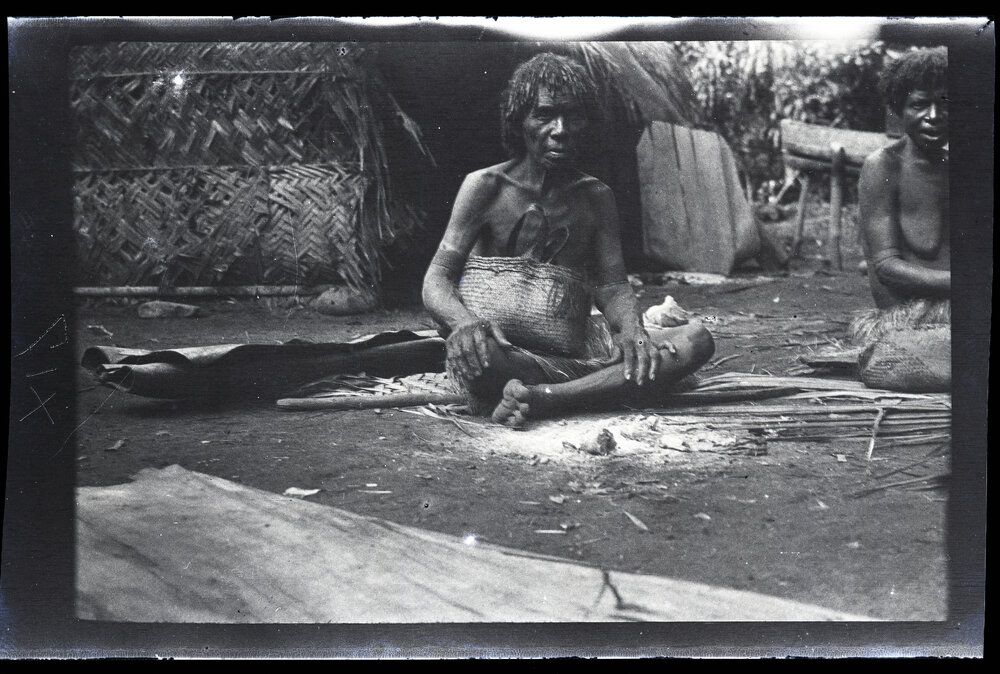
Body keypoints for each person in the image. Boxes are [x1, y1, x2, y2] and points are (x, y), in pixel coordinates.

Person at [421, 53, 714, 427]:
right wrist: (464, 324)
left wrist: (632, 331)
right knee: (485, 360)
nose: (560, 129)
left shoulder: (596, 198)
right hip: (508, 355)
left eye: (573, 116)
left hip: (577, 347)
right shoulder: (485, 187)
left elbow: (611, 286)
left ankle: (548, 398)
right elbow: (437, 279)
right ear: (520, 121)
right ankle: (597, 387)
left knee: (696, 340)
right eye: (544, 116)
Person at [850, 47, 950, 391]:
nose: (934, 115)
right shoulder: (884, 166)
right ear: (899, 109)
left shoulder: (967, 166)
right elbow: (887, 267)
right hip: (908, 317)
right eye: (920, 104)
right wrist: (966, 285)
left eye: (946, 102)